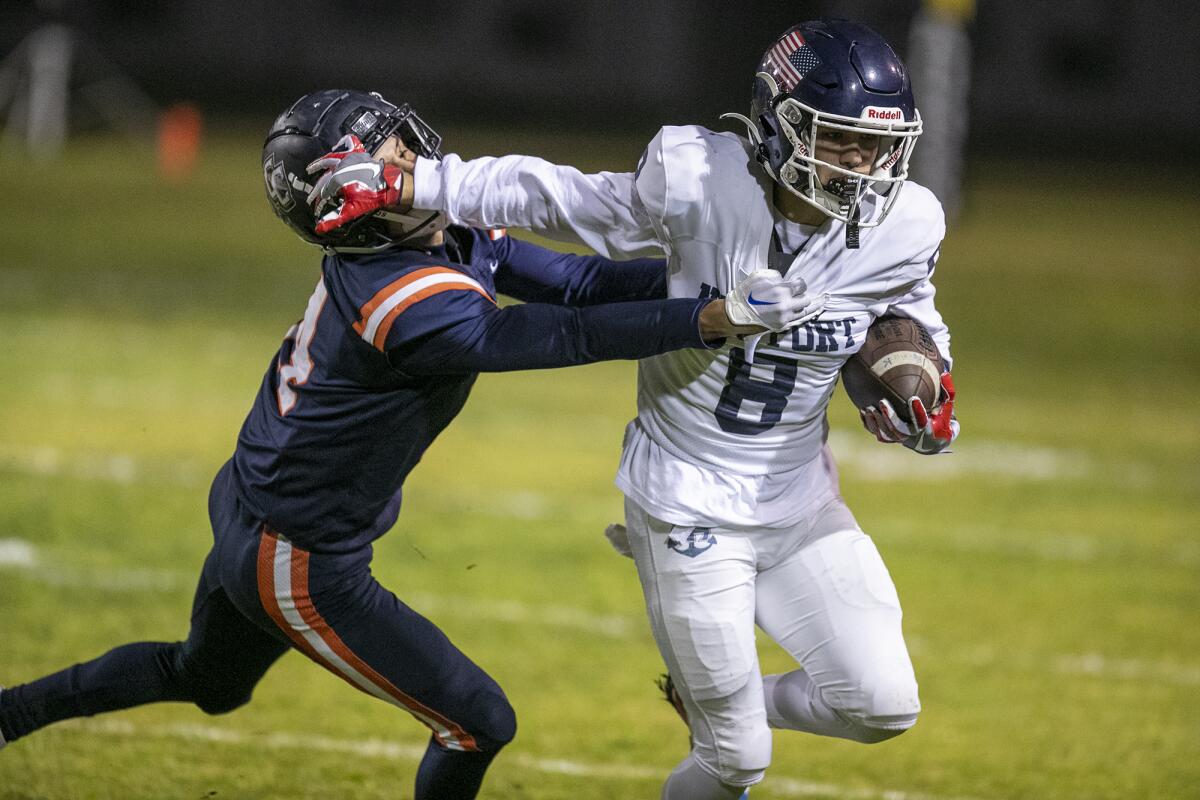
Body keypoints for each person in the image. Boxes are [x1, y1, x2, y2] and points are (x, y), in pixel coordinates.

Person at [0, 89, 825, 799]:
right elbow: (563, 332)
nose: (412, 161)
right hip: (296, 552)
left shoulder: (419, 236)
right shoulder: (404, 300)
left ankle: (10, 714)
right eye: (388, 157)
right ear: (351, 197)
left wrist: (717, 278)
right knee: (478, 722)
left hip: (255, 499)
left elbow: (577, 279)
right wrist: (707, 317)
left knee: (205, 683)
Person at [312, 20, 961, 800]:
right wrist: (422, 184)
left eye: (878, 146)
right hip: (687, 496)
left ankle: (717, 700)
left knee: (883, 705)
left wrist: (924, 387)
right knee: (736, 760)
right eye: (842, 141)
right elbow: (561, 197)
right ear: (782, 126)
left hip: (800, 499)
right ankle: (725, 719)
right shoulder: (702, 180)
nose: (866, 166)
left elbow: (906, 311)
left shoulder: (909, 221)